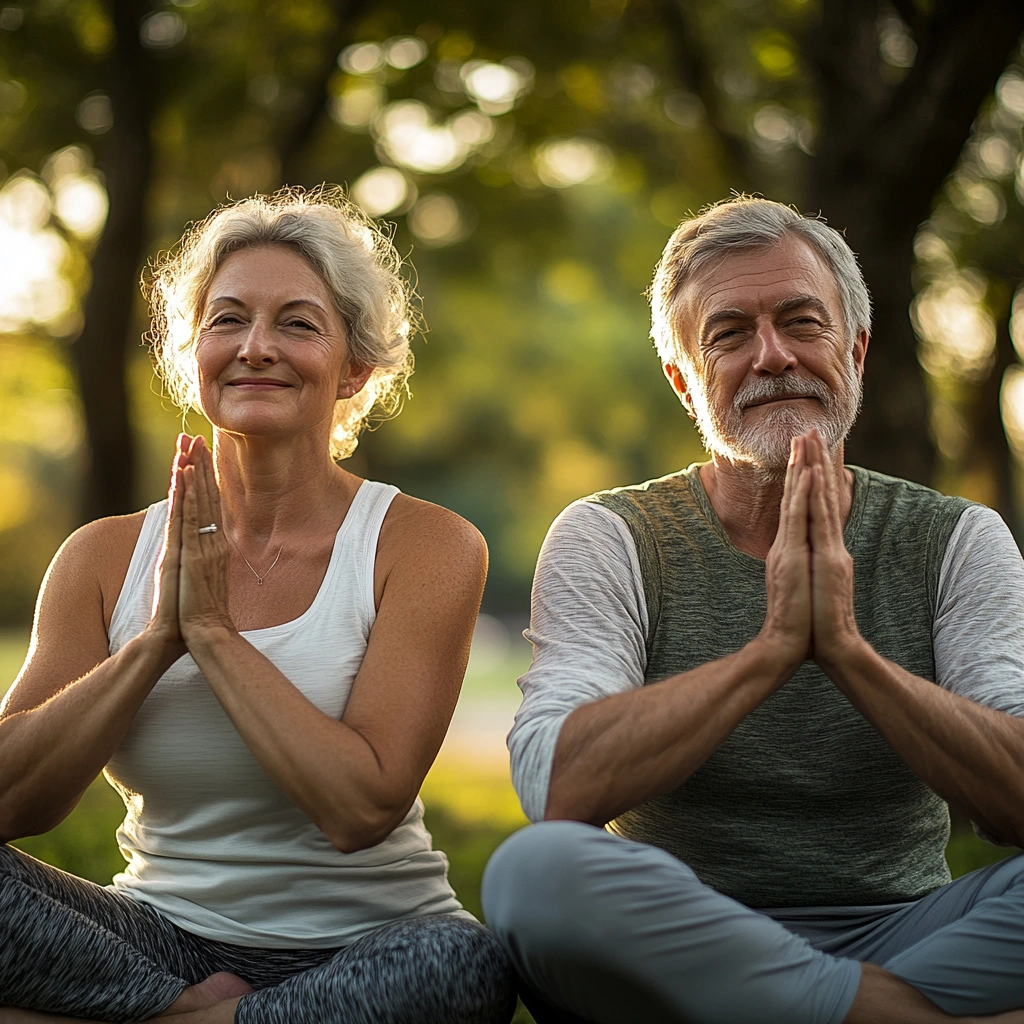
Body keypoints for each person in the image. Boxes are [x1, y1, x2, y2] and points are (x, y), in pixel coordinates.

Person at [481, 196, 1024, 1024]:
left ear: (858, 349)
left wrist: (845, 650)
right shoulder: (613, 536)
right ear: (684, 383)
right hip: (677, 937)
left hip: (907, 930)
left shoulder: (955, 539)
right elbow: (560, 785)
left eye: (803, 322)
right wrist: (771, 650)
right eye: (729, 334)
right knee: (534, 871)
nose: (773, 357)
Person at [0, 187, 515, 1024]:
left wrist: (212, 633)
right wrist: (154, 642)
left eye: (299, 324)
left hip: (370, 947)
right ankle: (192, 1009)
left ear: (356, 367)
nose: (256, 348)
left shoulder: (424, 545)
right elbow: (13, 801)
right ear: (193, 353)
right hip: (153, 937)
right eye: (228, 320)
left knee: (460, 966)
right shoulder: (102, 556)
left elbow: (360, 808)